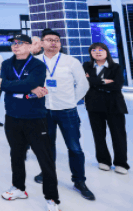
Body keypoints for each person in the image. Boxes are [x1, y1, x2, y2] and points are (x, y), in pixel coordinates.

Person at [0, 35, 61, 211]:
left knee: (45, 158)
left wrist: (13, 84)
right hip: (12, 116)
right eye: (13, 43)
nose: (15, 46)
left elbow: (26, 83)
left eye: (20, 43)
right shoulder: (6, 64)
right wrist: (27, 87)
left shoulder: (38, 65)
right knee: (16, 155)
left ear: (29, 45)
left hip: (35, 118)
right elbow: (0, 85)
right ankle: (19, 188)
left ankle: (52, 198)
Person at [32, 29, 94, 201]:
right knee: (47, 146)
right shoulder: (35, 62)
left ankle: (79, 181)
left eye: (56, 40)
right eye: (49, 40)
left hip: (67, 111)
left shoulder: (71, 61)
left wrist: (71, 101)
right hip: (44, 111)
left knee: (74, 148)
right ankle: (47, 173)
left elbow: (83, 85)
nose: (53, 43)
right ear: (42, 43)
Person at [83, 43, 129, 174]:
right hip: (94, 105)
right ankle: (103, 161)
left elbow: (117, 85)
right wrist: (103, 81)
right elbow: (83, 82)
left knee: (118, 135)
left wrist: (93, 81)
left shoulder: (116, 67)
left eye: (100, 49)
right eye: (93, 50)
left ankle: (121, 163)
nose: (97, 52)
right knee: (98, 134)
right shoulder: (86, 66)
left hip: (114, 105)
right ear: (90, 53)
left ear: (106, 52)